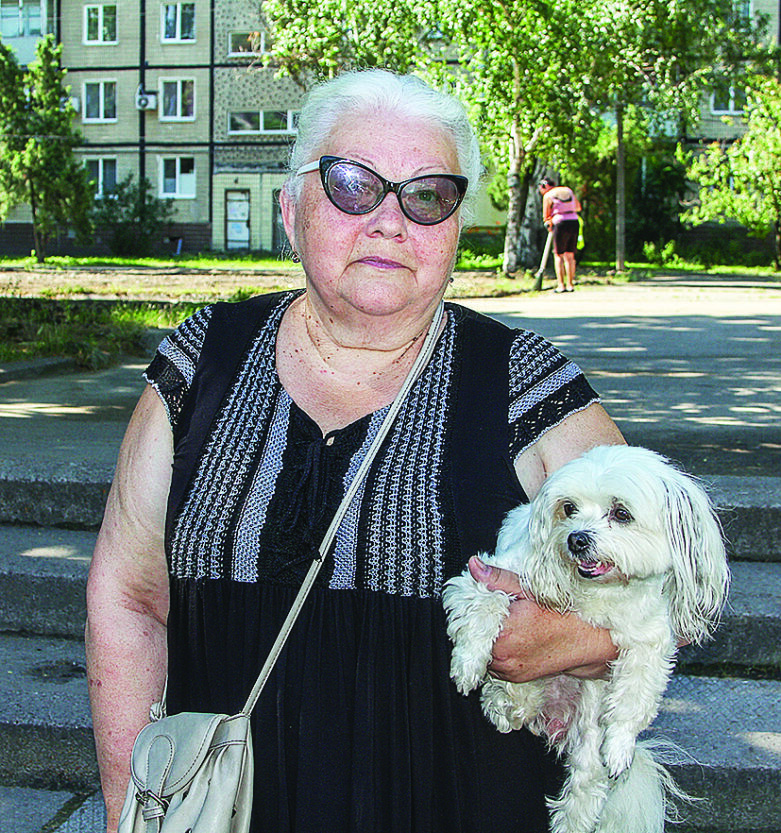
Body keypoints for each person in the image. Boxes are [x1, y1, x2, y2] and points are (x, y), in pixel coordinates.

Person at [85, 69, 624, 833]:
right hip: (224, 808)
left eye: (426, 195)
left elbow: (675, 574)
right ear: (291, 208)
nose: (388, 221)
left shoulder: (526, 383)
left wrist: (586, 635)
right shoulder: (199, 362)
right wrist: (129, 811)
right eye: (351, 185)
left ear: (456, 224)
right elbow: (129, 601)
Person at [539, 176, 582, 293]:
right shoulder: (568, 190)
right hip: (574, 221)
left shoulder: (548, 195)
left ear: (545, 186)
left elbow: (546, 216)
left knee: (559, 255)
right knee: (570, 255)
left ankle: (561, 285)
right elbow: (578, 207)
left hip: (560, 223)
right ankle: (570, 284)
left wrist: (549, 223)